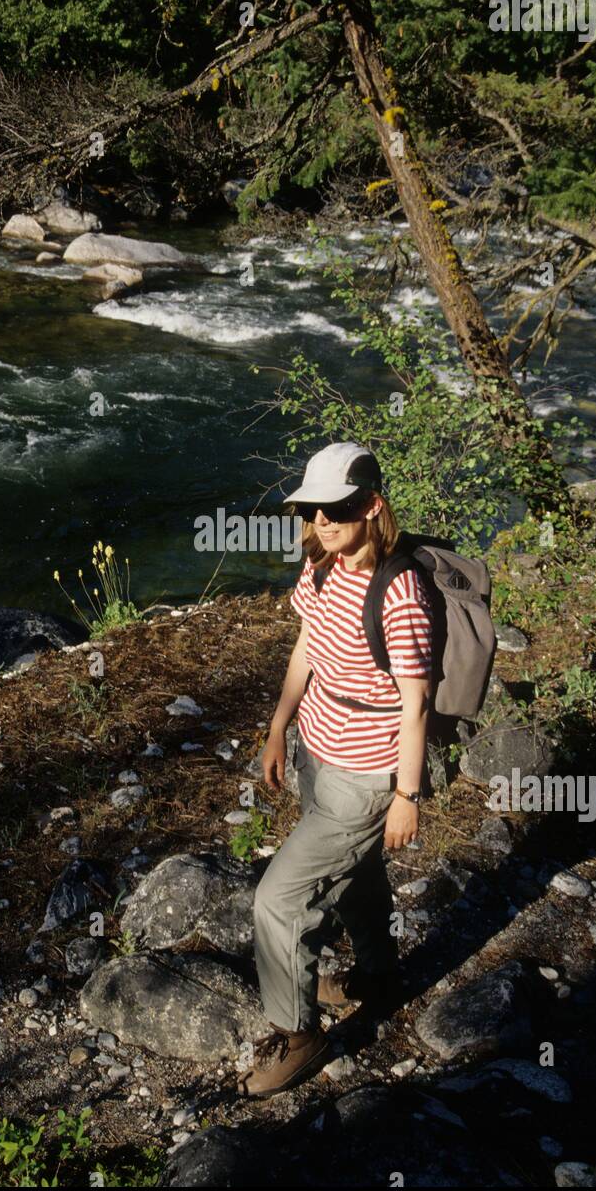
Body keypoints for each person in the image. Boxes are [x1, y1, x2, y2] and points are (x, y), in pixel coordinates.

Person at [236, 442, 433, 1099]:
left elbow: (417, 703)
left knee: (279, 900)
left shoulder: (399, 592)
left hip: (365, 775)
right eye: (312, 508)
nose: (322, 520)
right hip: (317, 752)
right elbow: (307, 648)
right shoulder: (320, 568)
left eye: (337, 509)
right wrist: (277, 725)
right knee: (356, 873)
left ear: (371, 506)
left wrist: (406, 794)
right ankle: (378, 975)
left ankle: (298, 1035)